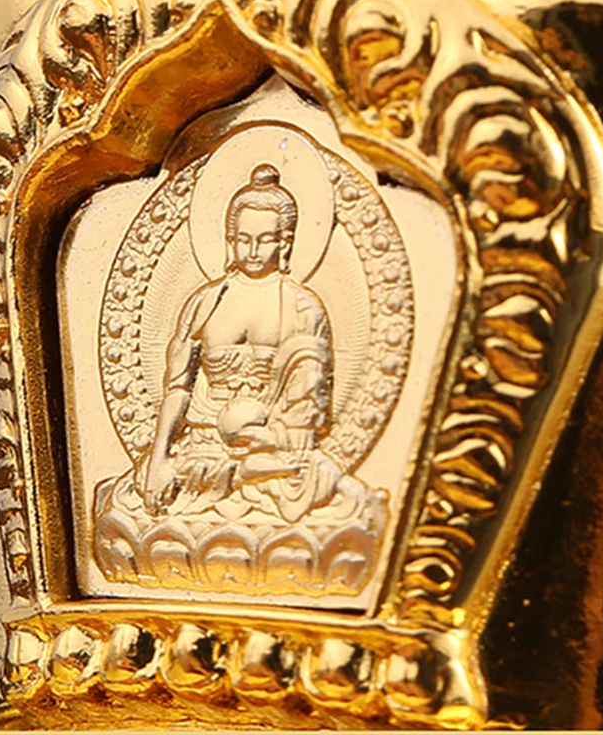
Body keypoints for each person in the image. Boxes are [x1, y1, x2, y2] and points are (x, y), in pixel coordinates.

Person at [94, 163, 385, 591]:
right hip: (202, 446)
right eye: (243, 238)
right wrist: (158, 458)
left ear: (286, 242)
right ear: (230, 240)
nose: (253, 250)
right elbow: (178, 387)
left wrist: (275, 441)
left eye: (265, 240)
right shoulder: (205, 302)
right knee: (122, 506)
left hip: (274, 451)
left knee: (342, 504)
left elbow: (311, 408)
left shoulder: (304, 307)